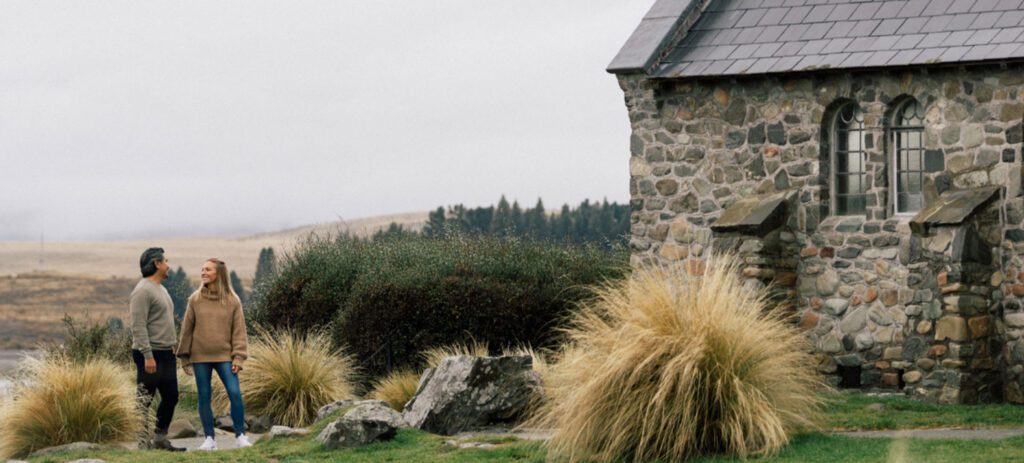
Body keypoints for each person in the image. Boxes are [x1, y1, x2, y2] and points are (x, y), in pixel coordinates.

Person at [176, 258, 252, 451]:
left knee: (235, 394)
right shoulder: (195, 299)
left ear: (218, 274)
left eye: (207, 269)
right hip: (200, 358)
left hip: (226, 357)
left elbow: (239, 331)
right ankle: (210, 439)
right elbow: (187, 329)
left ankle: (240, 436)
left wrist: (239, 357)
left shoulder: (233, 301)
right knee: (204, 396)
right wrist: (185, 357)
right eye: (202, 269)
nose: (203, 272)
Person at [129, 247, 185, 452]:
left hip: (166, 353)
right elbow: (138, 325)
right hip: (150, 354)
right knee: (145, 399)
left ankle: (160, 438)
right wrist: (147, 355)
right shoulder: (142, 290)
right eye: (166, 261)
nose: (169, 265)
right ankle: (143, 442)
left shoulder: (161, 289)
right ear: (157, 264)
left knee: (171, 397)